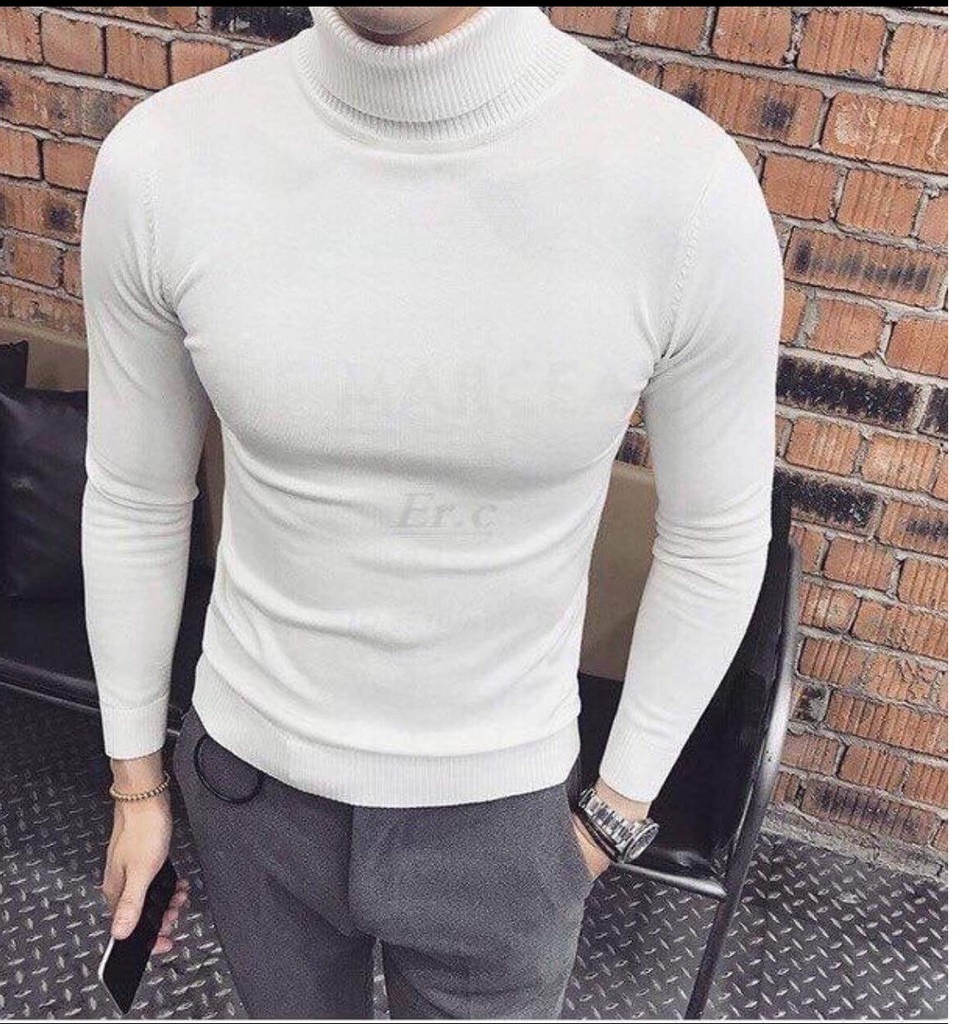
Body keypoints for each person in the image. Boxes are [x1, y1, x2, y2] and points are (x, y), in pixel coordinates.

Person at [82, 5, 783, 1018]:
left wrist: (615, 810)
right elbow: (137, 494)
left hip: (503, 821)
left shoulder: (683, 190)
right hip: (248, 790)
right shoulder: (164, 162)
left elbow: (717, 535)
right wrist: (136, 784)